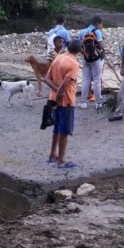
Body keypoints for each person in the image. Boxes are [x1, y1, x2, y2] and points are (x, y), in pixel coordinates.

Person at [43, 39, 82, 169]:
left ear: (67, 47)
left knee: (56, 128)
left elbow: (46, 79)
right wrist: (59, 95)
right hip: (66, 102)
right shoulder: (74, 64)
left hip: (53, 99)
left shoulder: (58, 58)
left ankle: (52, 155)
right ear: (80, 50)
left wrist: (55, 97)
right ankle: (61, 160)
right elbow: (64, 86)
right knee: (64, 131)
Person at [78, 15, 106, 110]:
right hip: (96, 59)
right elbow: (102, 46)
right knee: (97, 81)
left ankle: (83, 103)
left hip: (86, 59)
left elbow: (79, 46)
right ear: (97, 23)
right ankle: (98, 103)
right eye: (101, 24)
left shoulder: (82, 32)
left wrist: (85, 54)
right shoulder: (97, 32)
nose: (102, 25)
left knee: (86, 80)